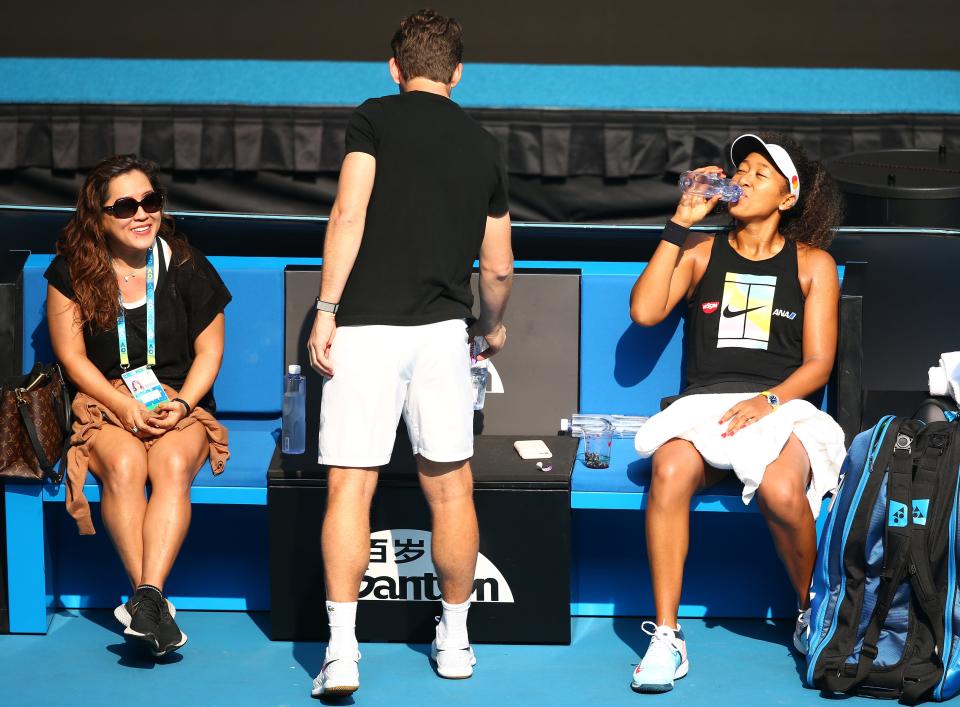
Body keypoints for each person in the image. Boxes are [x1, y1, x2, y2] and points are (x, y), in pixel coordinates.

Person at [305, 9, 513, 697]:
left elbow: (348, 213)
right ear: (459, 73)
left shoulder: (372, 117)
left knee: (349, 487)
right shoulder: (485, 144)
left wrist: (327, 308)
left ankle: (341, 649)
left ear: (395, 69)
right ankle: (454, 639)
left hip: (363, 329)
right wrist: (495, 325)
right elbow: (500, 266)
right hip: (442, 336)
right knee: (451, 490)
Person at [627, 133, 847, 693]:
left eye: (759, 173)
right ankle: (667, 636)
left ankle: (810, 614)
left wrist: (767, 400)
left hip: (783, 407)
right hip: (705, 411)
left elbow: (819, 363)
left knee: (779, 490)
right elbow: (646, 310)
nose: (742, 179)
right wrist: (682, 219)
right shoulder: (700, 252)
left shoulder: (814, 264)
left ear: (788, 196)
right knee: (670, 470)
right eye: (740, 169)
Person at [45, 154, 231, 658]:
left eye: (150, 201)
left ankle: (145, 601)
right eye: (125, 205)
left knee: (170, 462)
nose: (141, 214)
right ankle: (152, 600)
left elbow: (210, 351)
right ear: (98, 217)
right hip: (103, 401)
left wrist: (184, 402)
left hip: (177, 400)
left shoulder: (186, 263)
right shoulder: (71, 271)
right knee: (126, 465)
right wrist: (120, 405)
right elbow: (71, 356)